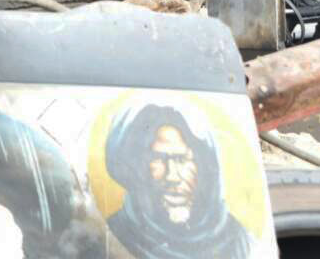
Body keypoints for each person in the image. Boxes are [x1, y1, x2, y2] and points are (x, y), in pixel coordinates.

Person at [104, 102, 253, 259]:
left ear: (204, 166)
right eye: (159, 159)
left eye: (182, 159)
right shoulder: (113, 233)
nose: (172, 177)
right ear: (139, 167)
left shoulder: (237, 240)